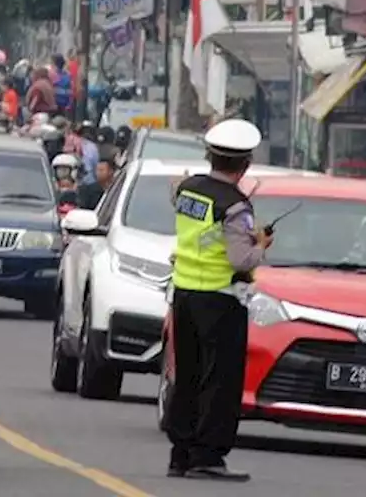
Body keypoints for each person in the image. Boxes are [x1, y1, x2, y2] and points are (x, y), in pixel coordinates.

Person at [165, 118, 269, 482]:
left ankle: (180, 453)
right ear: (245, 165)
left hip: (185, 294)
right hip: (220, 300)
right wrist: (261, 246)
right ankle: (207, 455)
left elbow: (177, 196)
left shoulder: (188, 191)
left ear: (210, 156)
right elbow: (241, 260)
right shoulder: (237, 206)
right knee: (220, 380)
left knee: (188, 375)